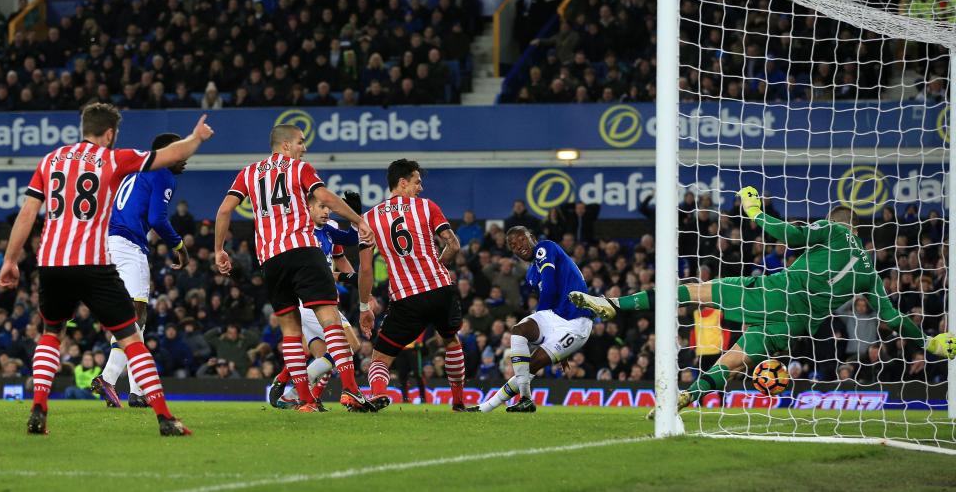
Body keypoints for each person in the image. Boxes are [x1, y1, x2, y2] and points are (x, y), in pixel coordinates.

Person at [570, 186, 956, 418]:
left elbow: (789, 234)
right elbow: (890, 315)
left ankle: (613, 305)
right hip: (796, 328)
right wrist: (926, 341)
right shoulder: (870, 271)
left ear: (838, 221)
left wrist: (755, 211)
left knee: (693, 290)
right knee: (733, 360)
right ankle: (685, 398)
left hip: (778, 294)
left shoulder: (835, 229)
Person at [0, 103, 213, 435]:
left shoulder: (50, 161)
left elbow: (27, 213)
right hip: (95, 263)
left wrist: (11, 260)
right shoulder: (114, 159)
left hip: (52, 263)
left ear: (84, 127)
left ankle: (39, 409)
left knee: (51, 335)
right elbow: (168, 157)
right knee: (131, 336)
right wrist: (196, 138)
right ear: (110, 133)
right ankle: (164, 418)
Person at [213, 124, 377, 413]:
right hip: (302, 251)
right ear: (286, 145)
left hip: (271, 260)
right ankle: (352, 391)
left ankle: (304, 397)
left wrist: (219, 250)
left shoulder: (248, 173)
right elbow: (324, 197)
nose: (304, 147)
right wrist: (358, 220)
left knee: (290, 331)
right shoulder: (298, 168)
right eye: (301, 142)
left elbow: (225, 209)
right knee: (330, 320)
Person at [357, 159, 466, 411]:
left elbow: (365, 269)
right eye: (417, 182)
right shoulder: (427, 208)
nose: (421, 188)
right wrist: (437, 267)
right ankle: (459, 403)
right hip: (439, 289)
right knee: (451, 341)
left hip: (406, 298)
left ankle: (376, 395)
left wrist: (365, 305)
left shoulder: (369, 218)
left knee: (381, 357)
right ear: (402, 183)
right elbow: (454, 245)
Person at [95, 132, 191, 408]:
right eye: (180, 152)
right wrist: (179, 246)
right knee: (136, 315)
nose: (184, 159)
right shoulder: (162, 172)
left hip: (109, 242)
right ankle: (109, 377)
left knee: (137, 318)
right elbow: (157, 219)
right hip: (128, 245)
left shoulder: (136, 167)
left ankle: (138, 391)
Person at [469, 226, 594, 413]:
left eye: (521, 239)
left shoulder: (545, 248)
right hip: (555, 317)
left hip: (577, 323)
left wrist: (539, 317)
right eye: (512, 245)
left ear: (532, 237)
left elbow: (550, 287)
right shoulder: (531, 274)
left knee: (532, 365)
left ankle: (491, 406)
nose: (518, 246)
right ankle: (515, 402)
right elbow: (553, 295)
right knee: (518, 332)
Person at [269, 190, 364, 411]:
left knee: (324, 358)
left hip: (320, 298)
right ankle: (291, 387)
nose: (326, 211)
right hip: (310, 299)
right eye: (321, 207)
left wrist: (354, 213)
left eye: (328, 207)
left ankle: (303, 396)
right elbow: (313, 272)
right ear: (308, 208)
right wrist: (347, 277)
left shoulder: (328, 229)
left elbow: (351, 238)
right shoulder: (303, 234)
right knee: (351, 345)